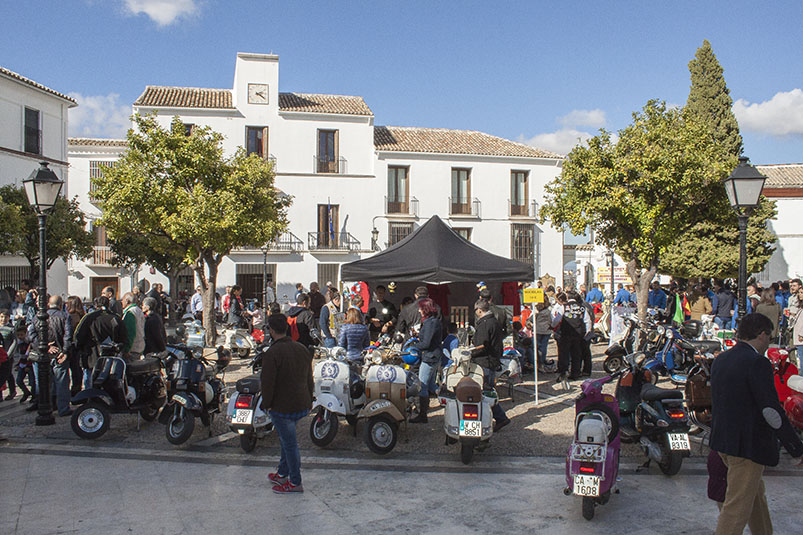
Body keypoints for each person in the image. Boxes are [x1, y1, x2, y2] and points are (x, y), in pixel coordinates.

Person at [710, 313, 803, 534]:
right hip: (747, 446)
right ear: (762, 335)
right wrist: (796, 448)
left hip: (723, 441)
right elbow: (771, 411)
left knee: (754, 498)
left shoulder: (722, 358)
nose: (769, 342)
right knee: (736, 510)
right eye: (769, 337)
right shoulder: (757, 362)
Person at [261, 314, 313, 494]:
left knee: (289, 444)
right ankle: (282, 473)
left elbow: (267, 382)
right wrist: (310, 398)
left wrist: (266, 404)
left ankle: (295, 481)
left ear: (271, 330)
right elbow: (309, 377)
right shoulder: (301, 348)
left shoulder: (272, 353)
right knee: (286, 440)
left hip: (282, 406)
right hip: (301, 402)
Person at [28, 295, 73, 416]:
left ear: (48, 304)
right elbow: (68, 335)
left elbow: (31, 335)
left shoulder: (37, 317)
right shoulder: (64, 316)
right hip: (59, 353)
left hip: (44, 353)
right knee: (62, 383)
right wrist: (64, 351)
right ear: (61, 304)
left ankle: (50, 405)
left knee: (46, 382)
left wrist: (43, 346)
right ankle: (63, 408)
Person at [470, 298, 511, 431]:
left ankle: (500, 417)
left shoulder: (485, 323)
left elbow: (482, 346)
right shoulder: (494, 321)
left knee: (486, 392)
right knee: (488, 391)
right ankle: (498, 417)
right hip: (491, 359)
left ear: (479, 310)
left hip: (485, 361)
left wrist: (470, 353)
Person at [73, 296, 127, 387]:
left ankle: (89, 394)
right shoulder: (116, 318)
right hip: (111, 356)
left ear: (95, 305)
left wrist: (81, 348)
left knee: (89, 382)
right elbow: (123, 337)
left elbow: (78, 336)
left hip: (91, 355)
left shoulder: (89, 318)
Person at [408, 299, 443, 423]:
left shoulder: (430, 323)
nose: (419, 311)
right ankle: (448, 398)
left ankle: (422, 415)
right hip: (434, 356)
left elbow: (426, 343)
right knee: (432, 384)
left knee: (422, 385)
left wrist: (413, 346)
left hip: (430, 357)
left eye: (420, 308)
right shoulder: (434, 321)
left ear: (425, 309)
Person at [551, 290, 592, 382]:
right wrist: (588, 331)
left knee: (564, 353)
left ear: (568, 297)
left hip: (566, 332)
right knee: (576, 353)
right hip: (577, 333)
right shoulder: (581, 307)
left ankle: (563, 372)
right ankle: (575, 373)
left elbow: (557, 319)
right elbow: (587, 320)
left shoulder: (564, 306)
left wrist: (552, 326)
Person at [65, 296, 85, 395]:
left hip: (73, 346)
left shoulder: (71, 317)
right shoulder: (83, 316)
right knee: (77, 370)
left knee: (74, 369)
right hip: (80, 346)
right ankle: (77, 388)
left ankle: (74, 390)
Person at [121, 293, 146, 359]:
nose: (121, 302)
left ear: (127, 301)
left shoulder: (130, 313)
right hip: (140, 346)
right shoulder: (138, 310)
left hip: (133, 348)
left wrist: (126, 349)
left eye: (122, 300)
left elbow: (130, 332)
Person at [534, 301, 554, 372]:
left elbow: (531, 320)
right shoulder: (549, 311)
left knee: (537, 347)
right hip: (546, 331)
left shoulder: (536, 312)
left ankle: (539, 363)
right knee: (544, 347)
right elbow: (552, 320)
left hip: (538, 331)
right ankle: (542, 362)